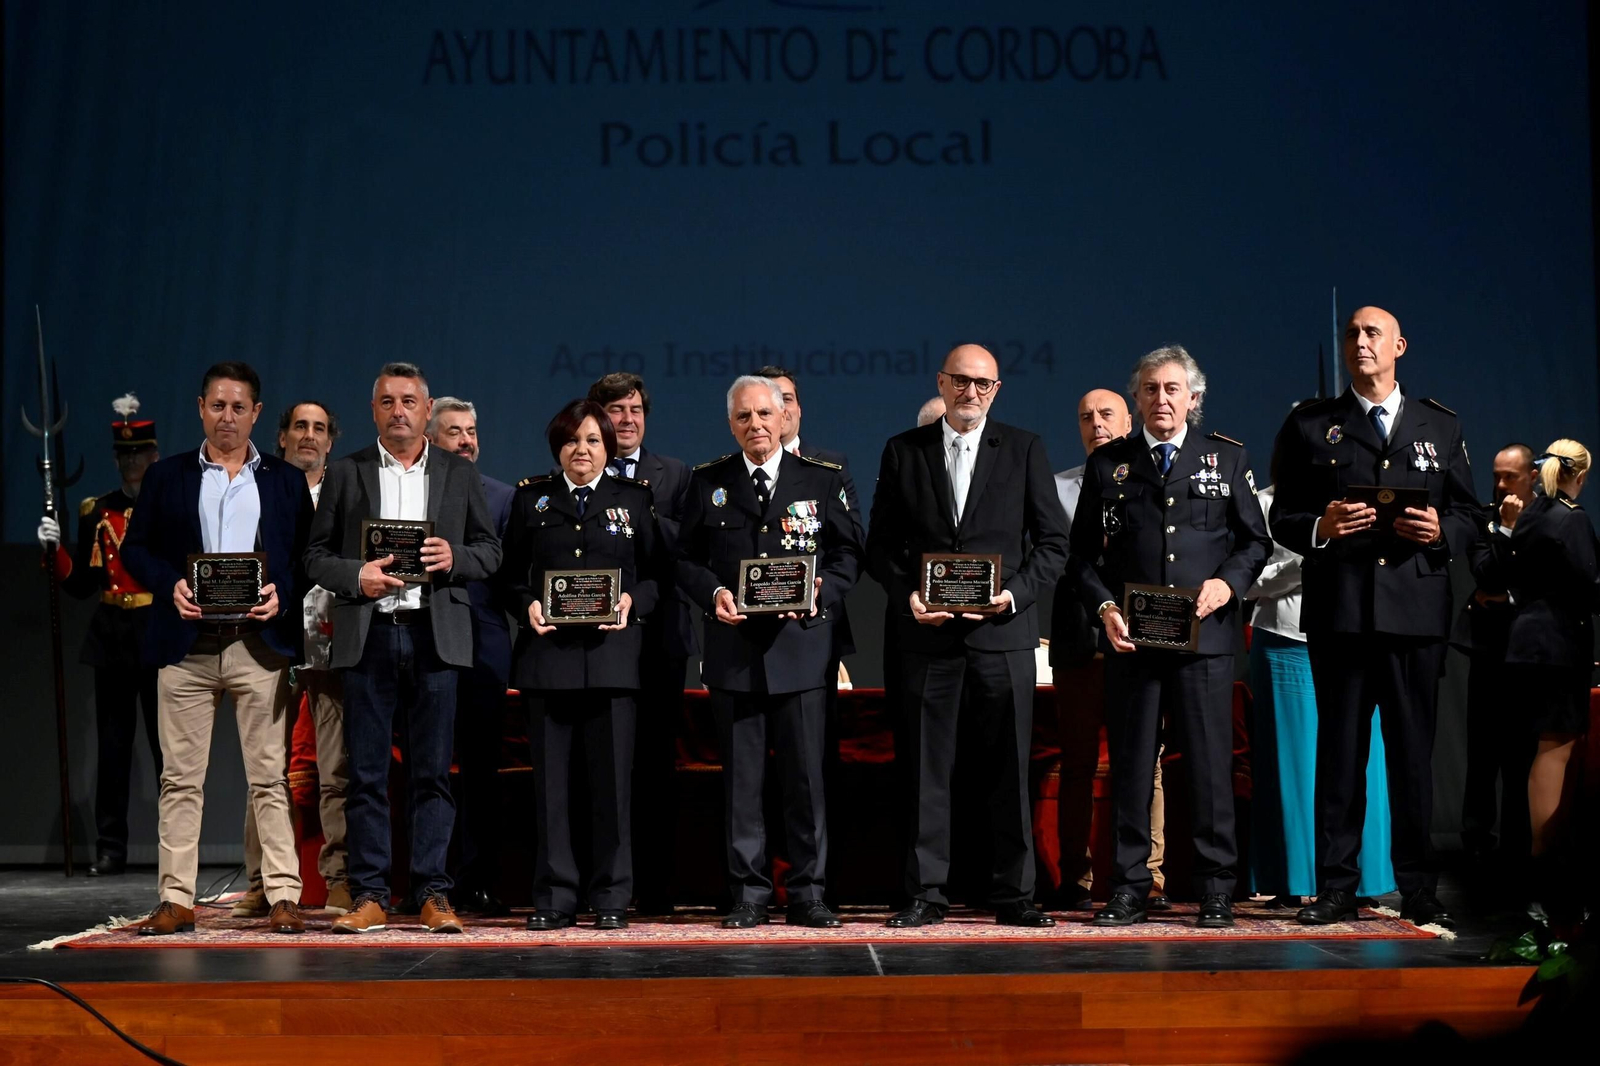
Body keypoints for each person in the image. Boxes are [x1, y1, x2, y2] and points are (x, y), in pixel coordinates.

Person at [1269, 306, 1481, 928]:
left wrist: (1443, 530)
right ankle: (1338, 887)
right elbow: (1282, 516)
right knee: (1339, 756)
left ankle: (1417, 887)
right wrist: (1320, 528)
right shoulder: (1311, 425)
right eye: (1352, 334)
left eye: (1372, 334)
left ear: (1400, 346)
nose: (1359, 343)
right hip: (1342, 615)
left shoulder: (1438, 426)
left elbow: (1472, 515)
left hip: (1416, 615)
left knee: (1413, 755)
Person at [866, 344, 1068, 928]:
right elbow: (880, 545)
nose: (971, 392)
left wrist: (1013, 595)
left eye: (983, 384)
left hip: (1002, 635)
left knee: (1009, 767)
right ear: (942, 381)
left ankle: (1013, 895)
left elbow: (1052, 543)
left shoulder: (1024, 448)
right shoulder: (904, 450)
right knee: (926, 770)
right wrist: (908, 594)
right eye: (961, 381)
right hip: (926, 639)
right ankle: (926, 894)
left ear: (997, 390)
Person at [1070, 347, 1271, 927]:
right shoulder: (1110, 464)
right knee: (1132, 767)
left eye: (1173, 390)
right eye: (1151, 390)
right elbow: (1081, 558)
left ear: (1193, 399)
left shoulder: (1226, 460)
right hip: (1132, 640)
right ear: (1136, 399)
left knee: (1209, 767)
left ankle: (1213, 887)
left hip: (1203, 639)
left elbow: (1253, 543)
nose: (1162, 399)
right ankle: (1129, 885)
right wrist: (1105, 608)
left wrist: (1226, 586)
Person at [304, 362, 502, 934]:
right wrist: (355, 576)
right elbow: (314, 556)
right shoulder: (346, 473)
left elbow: (490, 550)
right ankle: (370, 895)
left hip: (434, 634)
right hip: (368, 633)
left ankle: (433, 892)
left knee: (432, 774)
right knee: (365, 774)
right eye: (387, 402)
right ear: (374, 411)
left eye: (408, 402)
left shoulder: (456, 473)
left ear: (426, 407)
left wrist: (455, 560)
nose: (398, 411)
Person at [121, 363, 314, 934]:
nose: (227, 417)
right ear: (200, 407)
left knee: (269, 778)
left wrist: (283, 593)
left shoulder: (283, 480)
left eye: (238, 408)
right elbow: (137, 550)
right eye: (217, 406)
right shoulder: (167, 476)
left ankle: (283, 893)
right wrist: (168, 585)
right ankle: (177, 898)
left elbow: (307, 557)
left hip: (258, 646)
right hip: (187, 648)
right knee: (180, 779)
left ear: (256, 414)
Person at [677, 375, 862, 928]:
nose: (755, 426)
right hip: (735, 655)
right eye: (743, 418)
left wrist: (819, 590)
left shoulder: (821, 479)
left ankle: (808, 892)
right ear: (730, 424)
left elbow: (850, 552)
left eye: (764, 415)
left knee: (806, 781)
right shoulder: (707, 481)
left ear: (784, 417)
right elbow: (685, 559)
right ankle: (748, 895)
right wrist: (714, 593)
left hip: (802, 652)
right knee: (742, 784)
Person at [500, 399, 661, 930]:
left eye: (593, 440)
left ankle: (612, 897)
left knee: (612, 789)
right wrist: (526, 604)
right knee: (552, 789)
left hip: (613, 663)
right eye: (572, 441)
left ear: (608, 447)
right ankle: (555, 897)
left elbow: (658, 575)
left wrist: (633, 601)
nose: (582, 450)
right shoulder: (533, 499)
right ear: (558, 448)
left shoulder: (634, 500)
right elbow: (509, 575)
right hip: (548, 662)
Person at [1246, 467, 1396, 905]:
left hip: (1356, 638)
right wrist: (1313, 552)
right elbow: (1248, 580)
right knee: (1292, 767)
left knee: (1358, 762)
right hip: (1284, 640)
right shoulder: (1264, 502)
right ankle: (1294, 882)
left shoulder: (1363, 501)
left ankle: (1360, 881)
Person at [1048, 388, 1169, 912]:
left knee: (1146, 765)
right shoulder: (1056, 487)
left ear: (1130, 418)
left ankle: (1151, 878)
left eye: (1106, 415)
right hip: (1078, 644)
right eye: (1084, 417)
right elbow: (1059, 563)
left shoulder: (1159, 477)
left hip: (1139, 647)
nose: (1095, 424)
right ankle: (1074, 878)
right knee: (1075, 765)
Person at [36, 394, 162, 878]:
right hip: (112, 634)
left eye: (140, 453)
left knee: (166, 749)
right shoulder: (97, 510)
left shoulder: (165, 507)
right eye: (124, 455)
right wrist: (55, 553)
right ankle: (111, 848)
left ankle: (176, 850)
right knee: (113, 748)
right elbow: (82, 585)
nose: (132, 462)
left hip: (154, 633)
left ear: (153, 455)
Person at [234, 400, 350, 918]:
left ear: (331, 440)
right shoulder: (260, 490)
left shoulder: (346, 493)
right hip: (272, 642)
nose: (309, 435)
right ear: (280, 437)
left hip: (331, 646)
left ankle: (339, 877)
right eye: (299, 426)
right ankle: (261, 881)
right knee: (268, 768)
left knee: (336, 770)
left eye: (319, 428)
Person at [588, 372, 693, 914]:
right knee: (600, 767)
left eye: (635, 409)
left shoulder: (672, 475)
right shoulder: (579, 473)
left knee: (654, 767)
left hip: (659, 640)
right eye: (616, 410)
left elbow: (688, 547)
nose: (626, 419)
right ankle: (600, 884)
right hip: (593, 644)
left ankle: (653, 887)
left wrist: (641, 509)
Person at [426, 396, 516, 916]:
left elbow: (512, 578)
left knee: (481, 771)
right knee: (430, 767)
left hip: (482, 648)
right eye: (454, 431)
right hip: (425, 644)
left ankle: (477, 878)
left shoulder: (503, 498)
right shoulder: (416, 491)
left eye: (472, 431)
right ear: (432, 439)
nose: (466, 440)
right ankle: (428, 881)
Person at [1501, 440, 1595, 922]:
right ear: (1581, 474)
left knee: (1535, 755)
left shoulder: (1532, 515)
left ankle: (1534, 875)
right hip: (1558, 646)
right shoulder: (1571, 518)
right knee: (1554, 754)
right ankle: (1547, 880)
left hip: (1524, 645)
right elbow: (1587, 583)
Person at [1457, 444, 1538, 881]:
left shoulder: (1549, 518)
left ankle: (1519, 849)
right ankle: (1476, 846)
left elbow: (1547, 582)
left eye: (1511, 476)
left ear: (1532, 476)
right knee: (1483, 754)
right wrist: (1505, 530)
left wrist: (1512, 598)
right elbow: (1486, 573)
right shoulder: (1485, 520)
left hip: (1530, 656)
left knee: (1522, 756)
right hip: (1489, 654)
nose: (1502, 485)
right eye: (1497, 476)